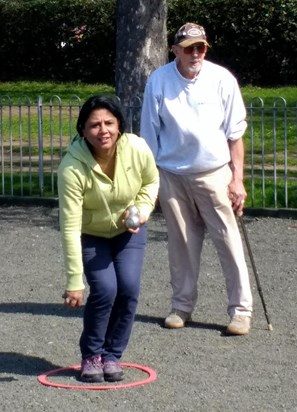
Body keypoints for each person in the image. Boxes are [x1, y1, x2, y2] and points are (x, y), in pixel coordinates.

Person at [140, 22, 253, 335]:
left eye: (200, 47)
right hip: (172, 175)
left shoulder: (222, 79)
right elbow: (149, 134)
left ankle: (241, 312)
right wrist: (151, 183)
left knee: (229, 242)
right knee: (181, 245)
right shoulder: (158, 80)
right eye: (188, 48)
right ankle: (181, 306)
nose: (195, 53)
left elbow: (235, 134)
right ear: (175, 50)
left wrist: (237, 179)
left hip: (215, 173)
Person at [57, 95, 159, 383]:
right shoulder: (71, 168)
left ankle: (112, 355)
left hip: (129, 231)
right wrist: (74, 281)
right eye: (94, 125)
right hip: (92, 234)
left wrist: (140, 210)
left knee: (128, 289)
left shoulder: (137, 148)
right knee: (104, 290)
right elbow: (70, 226)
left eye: (109, 123)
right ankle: (91, 355)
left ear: (119, 125)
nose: (103, 130)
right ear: (83, 130)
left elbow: (151, 182)